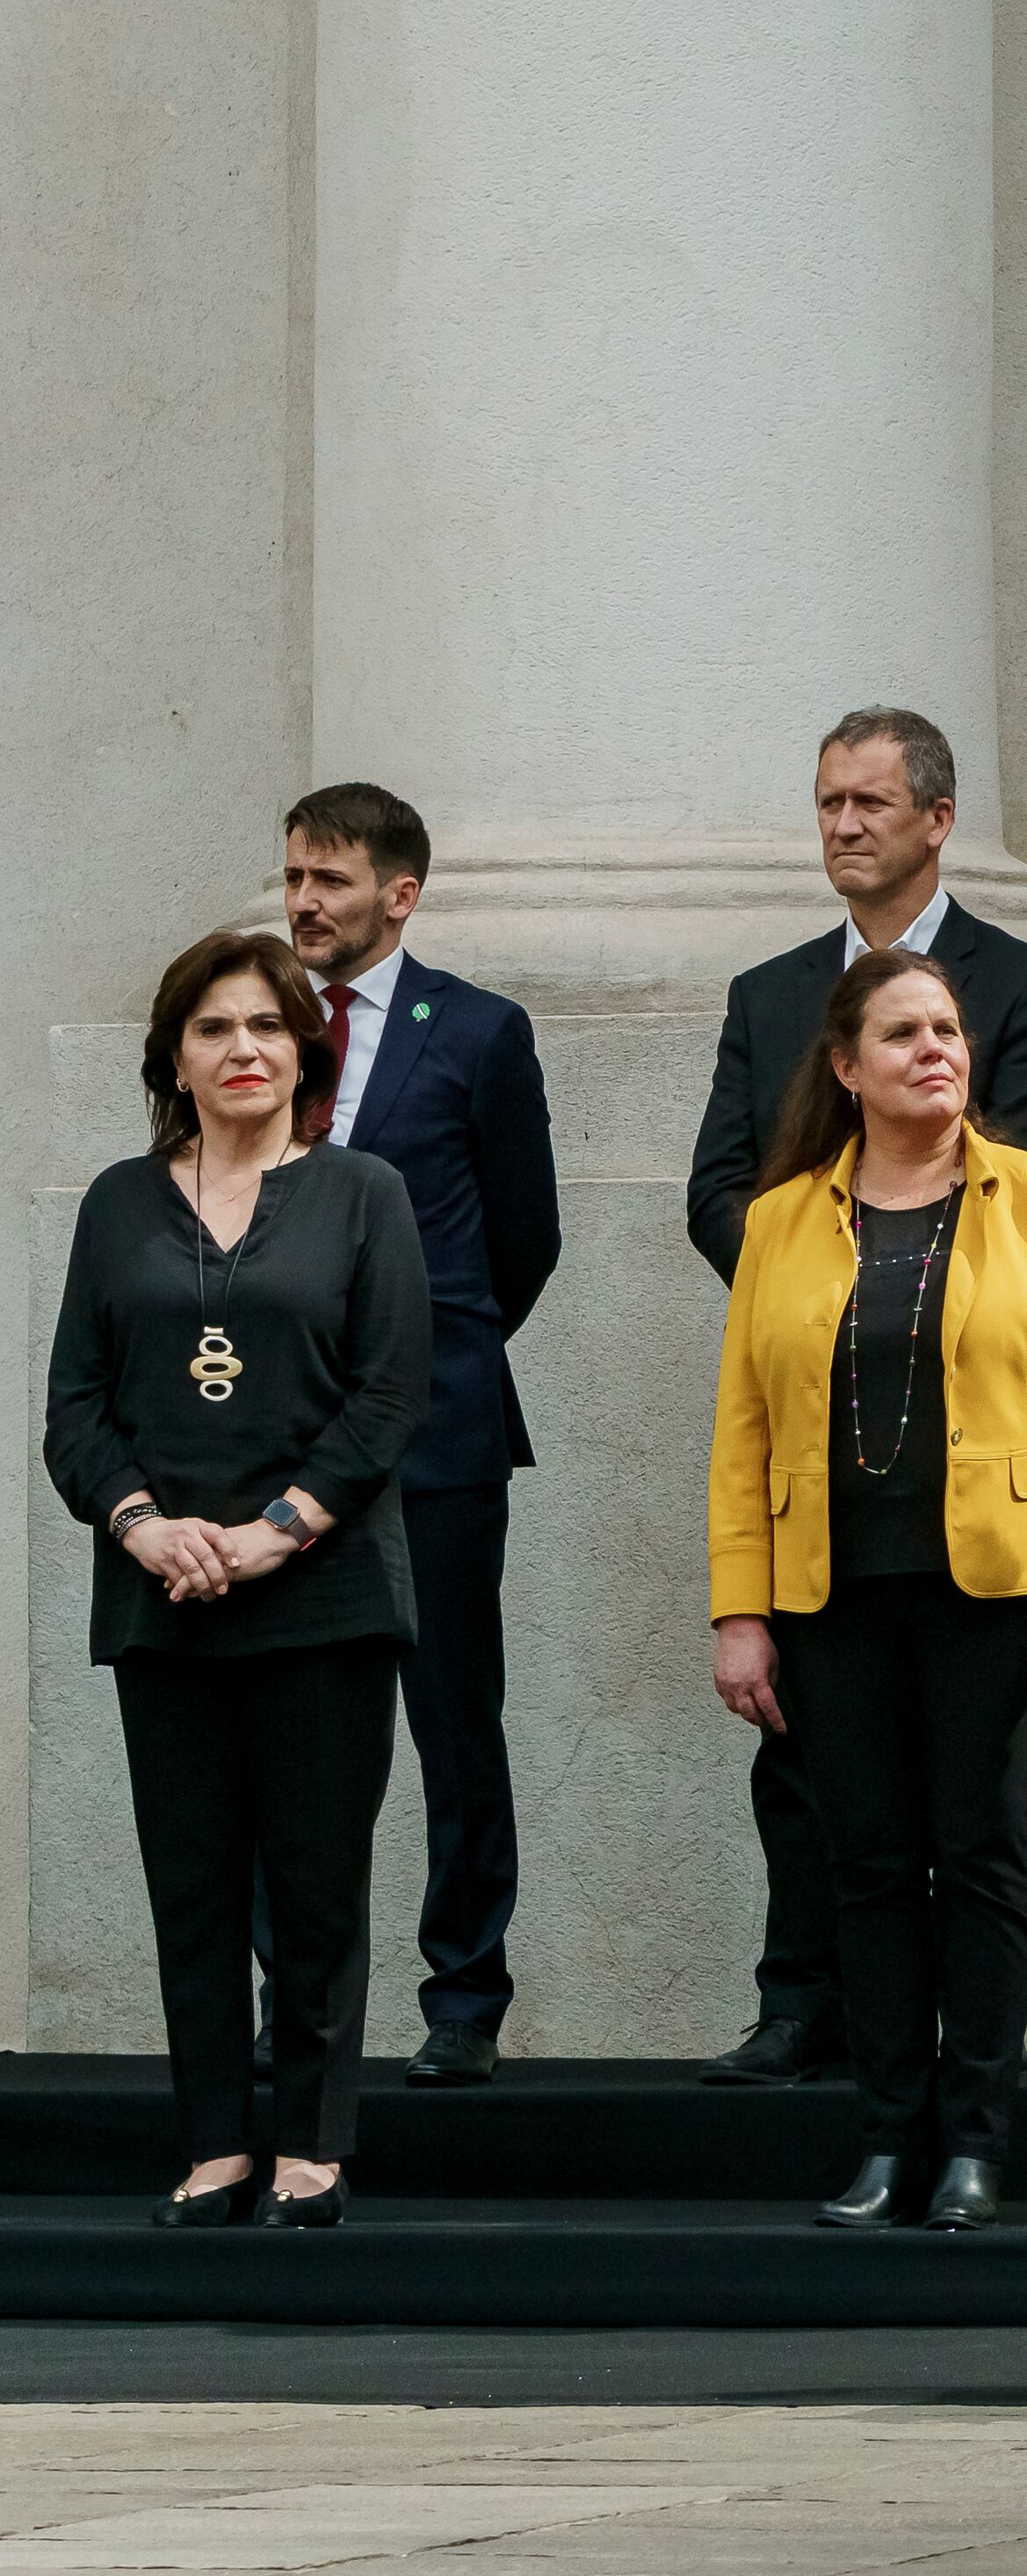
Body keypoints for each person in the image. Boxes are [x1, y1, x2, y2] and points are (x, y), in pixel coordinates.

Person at [705, 948, 1027, 2234]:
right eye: (903, 1034)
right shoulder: (782, 1218)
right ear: (846, 1067)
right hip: (829, 1588)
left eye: (948, 1029)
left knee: (981, 1854)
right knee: (870, 1865)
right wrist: (740, 1610)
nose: (936, 1050)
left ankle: (975, 2145)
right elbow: (739, 1428)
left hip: (999, 1589)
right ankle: (889, 2139)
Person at [689, 707, 1027, 2089]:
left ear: (936, 819)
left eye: (868, 801)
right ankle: (805, 2002)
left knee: (968, 1813)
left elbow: (1016, 1185)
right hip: (821, 1415)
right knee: (811, 1769)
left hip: (970, 1454)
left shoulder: (1018, 984)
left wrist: (900, 1284)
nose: (844, 824)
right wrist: (815, 1275)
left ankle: (959, 2104)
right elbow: (715, 1190)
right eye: (825, 803)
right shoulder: (769, 992)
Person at [42, 932, 430, 2226]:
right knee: (194, 1882)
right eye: (215, 1028)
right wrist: (145, 1524)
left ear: (305, 1050)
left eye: (268, 1025)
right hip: (162, 1595)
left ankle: (312, 2145)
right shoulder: (116, 1202)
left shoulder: (363, 1191)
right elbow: (77, 1407)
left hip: (319, 1595)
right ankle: (216, 2144)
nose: (244, 1048)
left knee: (317, 1882)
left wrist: (280, 1526)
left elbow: (387, 1395)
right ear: (175, 1054)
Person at [274, 785, 561, 2089]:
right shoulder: (256, 1031)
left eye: (330, 879)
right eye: (293, 877)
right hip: (277, 1441)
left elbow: (523, 1238)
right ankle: (304, 2008)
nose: (304, 902)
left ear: (401, 891)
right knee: (295, 1734)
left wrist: (425, 1345)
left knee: (453, 1718)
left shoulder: (480, 1033)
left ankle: (464, 1996)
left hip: (438, 1436)